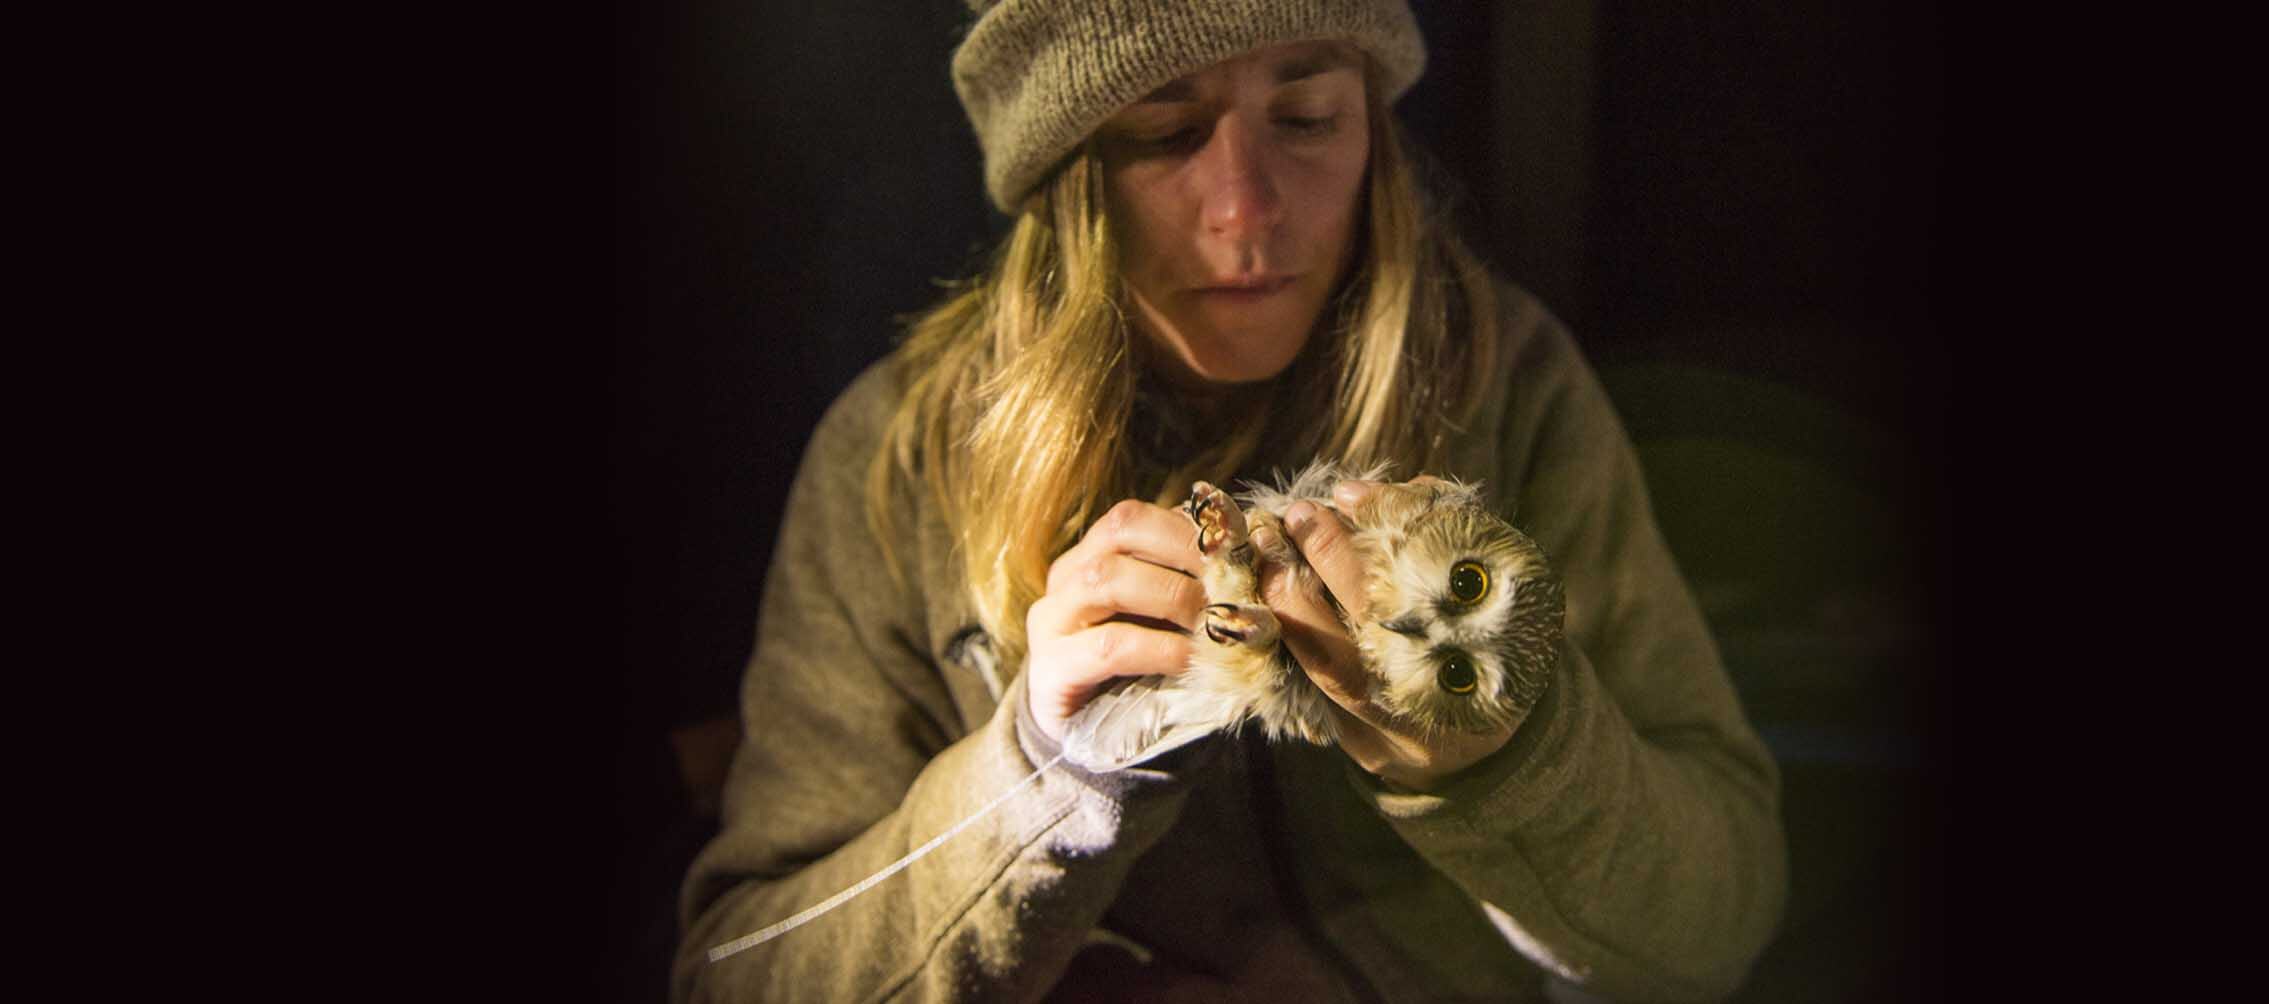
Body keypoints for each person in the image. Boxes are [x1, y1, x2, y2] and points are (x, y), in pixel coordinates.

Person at [672, 2, 1787, 1000]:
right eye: (1162, 135)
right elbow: (740, 971)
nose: (1248, 212)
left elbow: (1711, 930)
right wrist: (1045, 781)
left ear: (1374, 129)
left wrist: (1514, 763)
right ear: (1068, 176)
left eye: (1305, 116)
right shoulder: (901, 458)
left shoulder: (1509, 381)